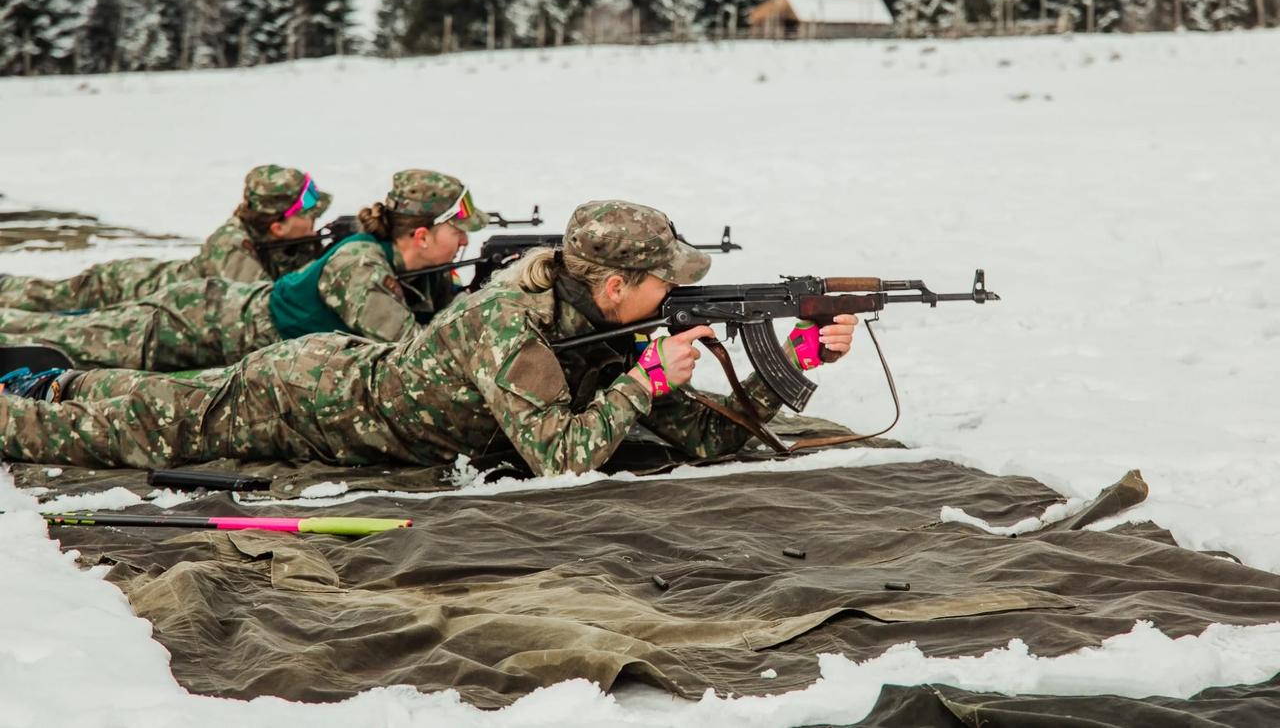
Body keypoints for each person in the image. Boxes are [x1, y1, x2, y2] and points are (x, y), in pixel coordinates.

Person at [0, 200, 858, 476]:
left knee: (153, 406)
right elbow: (562, 458)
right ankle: (31, 407)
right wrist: (648, 383)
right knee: (148, 422)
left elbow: (701, 433)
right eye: (665, 281)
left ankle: (53, 385)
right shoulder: (511, 327)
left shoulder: (591, 326)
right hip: (305, 400)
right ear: (614, 286)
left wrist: (801, 364)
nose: (677, 292)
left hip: (338, 382)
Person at [0, 170, 487, 371]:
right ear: (420, 236)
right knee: (51, 331)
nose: (466, 240)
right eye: (458, 230)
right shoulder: (359, 264)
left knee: (59, 328)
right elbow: (408, 350)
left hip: (217, 320)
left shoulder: (402, 265)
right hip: (191, 322)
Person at [0, 165, 332, 312]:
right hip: (126, 288)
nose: (316, 223)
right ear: (277, 227)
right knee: (47, 298)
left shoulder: (270, 239)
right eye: (309, 216)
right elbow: (263, 306)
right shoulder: (231, 246)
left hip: (155, 289)